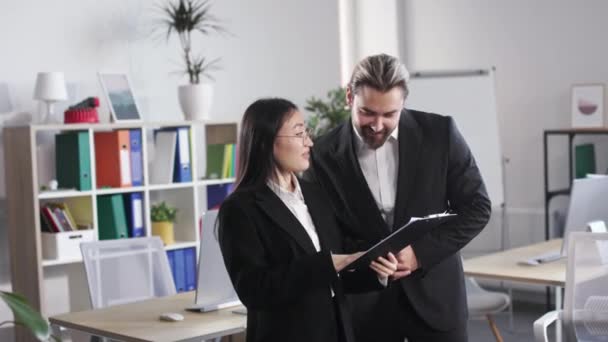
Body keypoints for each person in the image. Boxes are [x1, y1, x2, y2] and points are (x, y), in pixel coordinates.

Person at [306, 53, 492, 342]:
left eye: (389, 114)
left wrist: (419, 254)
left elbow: (477, 208)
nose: (377, 125)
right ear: (348, 97)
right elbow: (327, 235)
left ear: (403, 103)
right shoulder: (322, 155)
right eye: (367, 112)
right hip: (367, 308)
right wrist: (367, 262)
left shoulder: (440, 134)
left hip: (436, 300)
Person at [217, 98, 399, 342]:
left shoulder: (316, 194)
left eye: (307, 132)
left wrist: (376, 272)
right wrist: (328, 264)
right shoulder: (240, 209)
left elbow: (338, 272)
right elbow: (254, 290)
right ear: (267, 141)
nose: (309, 142)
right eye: (299, 133)